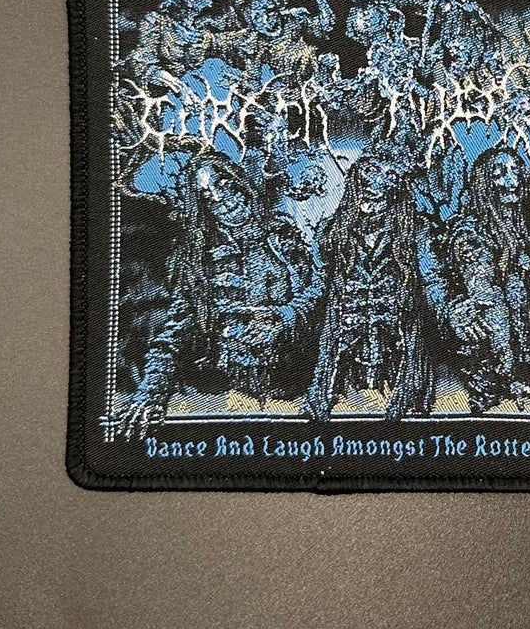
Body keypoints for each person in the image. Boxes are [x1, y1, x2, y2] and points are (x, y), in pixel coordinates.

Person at [114, 153, 321, 435]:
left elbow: (317, 296)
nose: (221, 199)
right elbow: (174, 334)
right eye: (208, 196)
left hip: (295, 384)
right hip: (228, 390)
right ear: (203, 206)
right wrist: (151, 393)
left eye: (224, 185)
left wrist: (284, 317)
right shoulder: (199, 260)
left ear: (240, 184)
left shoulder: (282, 234)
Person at [304, 156, 442, 420]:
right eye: (370, 172)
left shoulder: (417, 230)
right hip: (343, 363)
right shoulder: (329, 232)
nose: (377, 183)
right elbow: (316, 287)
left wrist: (453, 310)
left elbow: (433, 280)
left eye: (389, 175)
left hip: (399, 356)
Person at [444, 146, 530, 413]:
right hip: (491, 366)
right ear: (484, 183)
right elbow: (489, 305)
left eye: (515, 171)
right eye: (500, 174)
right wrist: (512, 376)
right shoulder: (470, 234)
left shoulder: (522, 226)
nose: (511, 180)